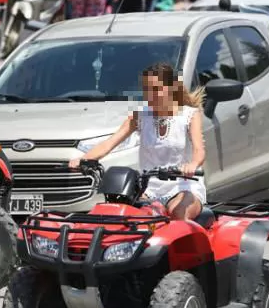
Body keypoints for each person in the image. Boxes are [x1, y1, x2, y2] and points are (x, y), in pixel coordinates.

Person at [69, 62, 206, 221]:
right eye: (146, 90)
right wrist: (84, 160)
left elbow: (199, 150)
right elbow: (109, 143)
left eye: (156, 90)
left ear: (171, 88)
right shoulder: (140, 116)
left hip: (183, 186)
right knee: (125, 216)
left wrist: (192, 165)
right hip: (149, 189)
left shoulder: (189, 115)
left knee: (178, 213)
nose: (150, 96)